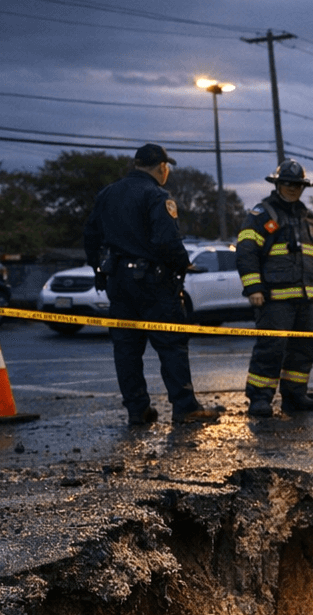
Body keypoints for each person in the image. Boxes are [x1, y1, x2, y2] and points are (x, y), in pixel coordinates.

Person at [84, 143, 222, 426]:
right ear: (162, 167)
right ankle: (185, 408)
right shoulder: (157, 195)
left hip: (119, 282)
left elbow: (90, 235)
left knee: (126, 348)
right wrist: (183, 263)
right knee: (171, 343)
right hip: (153, 283)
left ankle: (138, 410)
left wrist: (98, 269)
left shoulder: (107, 194)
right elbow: (167, 241)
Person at [236, 159, 313, 418]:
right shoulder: (263, 215)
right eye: (287, 183)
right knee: (271, 348)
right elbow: (246, 252)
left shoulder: (309, 220)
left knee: (303, 350)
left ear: (303, 187)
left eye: (297, 184)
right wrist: (253, 287)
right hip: (275, 300)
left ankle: (294, 396)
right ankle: (259, 398)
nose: (292, 188)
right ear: (278, 184)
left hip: (307, 299)